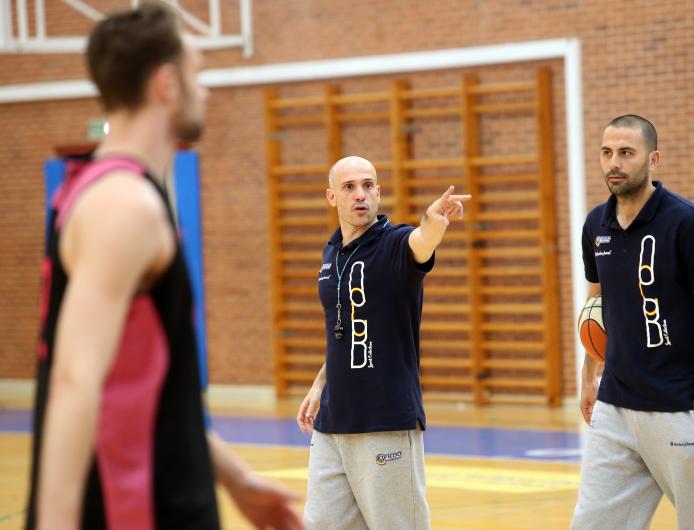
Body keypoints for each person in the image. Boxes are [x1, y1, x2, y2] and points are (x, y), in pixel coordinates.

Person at [26, 3, 303, 529]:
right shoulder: (125, 206)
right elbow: (73, 380)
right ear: (166, 83)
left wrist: (234, 477)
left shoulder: (107, 191)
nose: (206, 89)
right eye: (197, 72)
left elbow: (139, 385)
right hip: (135, 509)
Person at [570, 115, 694, 529]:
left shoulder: (686, 222)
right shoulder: (596, 224)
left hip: (677, 409)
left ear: (653, 159)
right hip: (614, 409)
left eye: (627, 153)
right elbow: (598, 302)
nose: (615, 163)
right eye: (607, 153)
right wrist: (590, 374)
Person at [295, 156, 470, 529]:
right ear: (332, 197)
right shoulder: (332, 254)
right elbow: (343, 328)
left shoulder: (394, 245)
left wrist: (433, 223)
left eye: (368, 185)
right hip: (332, 426)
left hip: (385, 421)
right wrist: (320, 382)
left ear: (378, 191)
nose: (360, 194)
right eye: (349, 187)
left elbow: (421, 244)